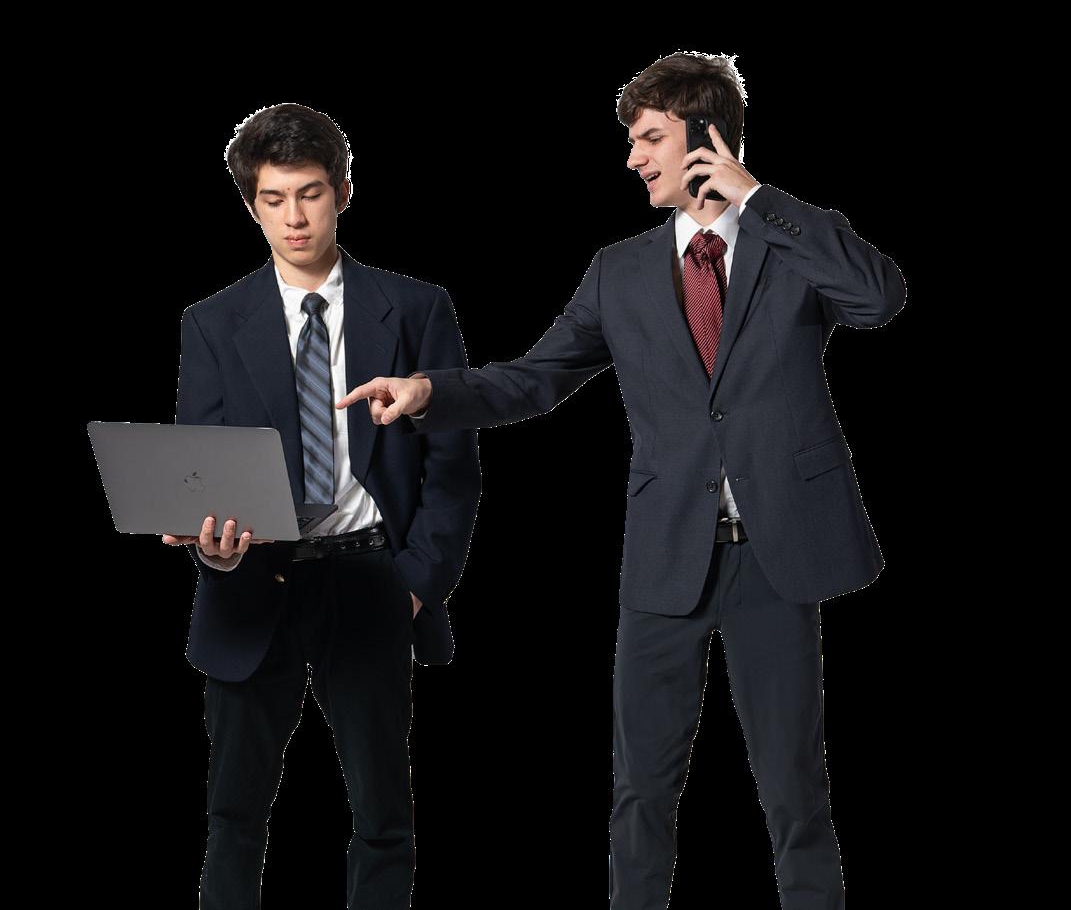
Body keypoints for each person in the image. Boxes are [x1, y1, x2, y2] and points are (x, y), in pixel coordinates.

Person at [336, 53, 907, 909]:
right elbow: (536, 379)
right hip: (665, 559)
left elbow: (878, 301)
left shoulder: (789, 240)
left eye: (649, 138)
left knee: (793, 789)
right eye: (631, 141)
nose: (633, 158)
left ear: (706, 137)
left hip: (776, 556)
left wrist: (758, 198)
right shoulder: (619, 270)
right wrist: (429, 392)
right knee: (641, 788)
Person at [161, 102, 480, 909]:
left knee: (383, 815)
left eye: (309, 194)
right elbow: (202, 468)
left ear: (342, 191)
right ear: (251, 205)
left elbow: (452, 468)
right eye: (273, 199)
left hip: (370, 577)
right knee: (232, 814)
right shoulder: (212, 322)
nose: (294, 217)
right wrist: (212, 549)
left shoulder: (416, 309)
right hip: (251, 583)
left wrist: (417, 583)